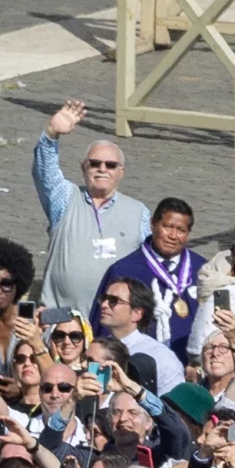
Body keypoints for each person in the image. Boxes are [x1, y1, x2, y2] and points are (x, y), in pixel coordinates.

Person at [32, 101, 149, 323]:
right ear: (83, 167)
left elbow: (154, 263)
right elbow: (44, 175)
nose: (102, 169)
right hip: (62, 322)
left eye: (110, 165)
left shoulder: (139, 213)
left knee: (99, 360)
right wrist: (52, 134)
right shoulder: (65, 199)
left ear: (121, 172)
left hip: (112, 326)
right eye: (95, 163)